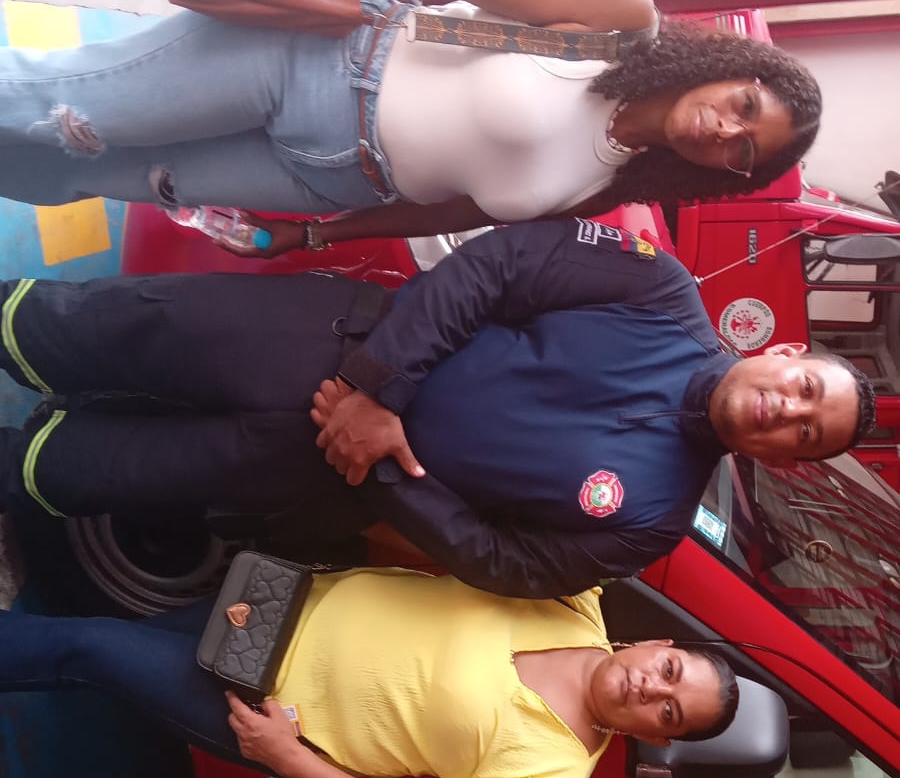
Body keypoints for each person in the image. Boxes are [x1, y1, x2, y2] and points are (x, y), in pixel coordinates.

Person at [0, 221, 875, 598]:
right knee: (80, 329)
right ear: (785, 353)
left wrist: (383, 458)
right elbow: (496, 266)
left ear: (781, 460)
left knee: (93, 472)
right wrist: (378, 385)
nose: (785, 412)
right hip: (315, 340)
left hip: (317, 472)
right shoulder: (657, 288)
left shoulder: (649, 525)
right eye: (805, 391)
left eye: (804, 435)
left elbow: (505, 563)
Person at [0, 0, 821, 245]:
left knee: (80, 172)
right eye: (745, 106)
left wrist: (318, 236)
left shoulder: (613, 186)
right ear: (732, 69)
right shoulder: (617, 21)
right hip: (322, 66)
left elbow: (448, 210)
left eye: (744, 150)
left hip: (323, 179)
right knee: (57, 110)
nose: (726, 130)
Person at [0, 568, 739, 778]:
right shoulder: (572, 602)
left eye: (669, 713)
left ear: (654, 736)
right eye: (670, 672)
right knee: (98, 649)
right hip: (276, 605)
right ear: (658, 644)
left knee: (90, 649)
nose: (653, 691)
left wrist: (287, 759)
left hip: (270, 712)